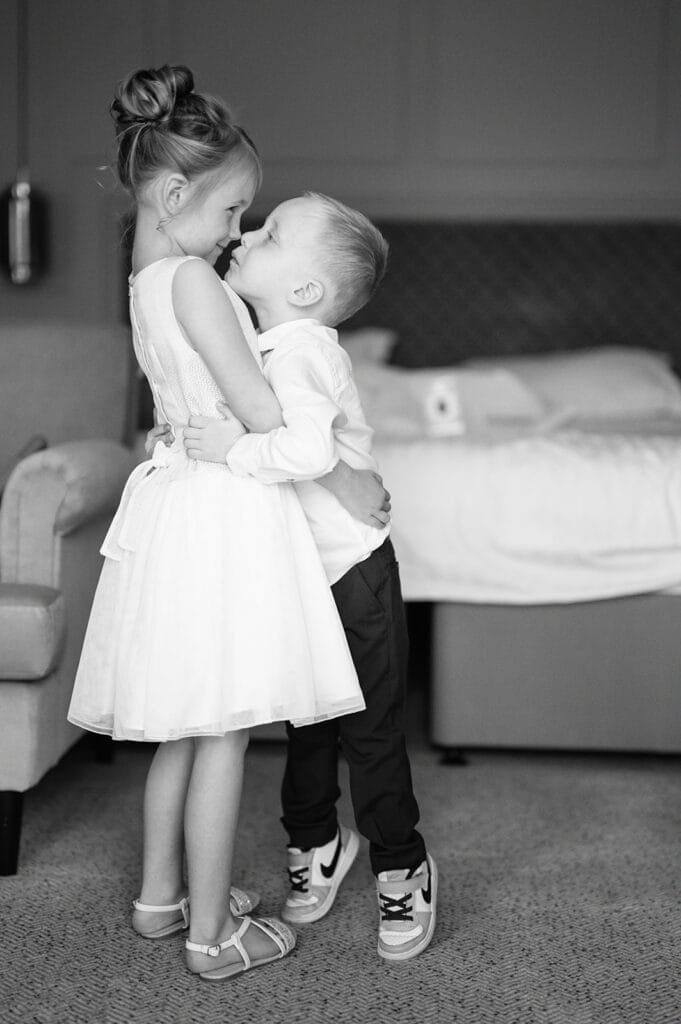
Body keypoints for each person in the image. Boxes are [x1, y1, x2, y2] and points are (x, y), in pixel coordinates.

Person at [67, 66, 384, 982]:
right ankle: (214, 936)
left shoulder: (144, 274)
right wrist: (345, 467)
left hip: (174, 501)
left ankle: (159, 900)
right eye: (234, 211)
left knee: (180, 724)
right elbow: (266, 420)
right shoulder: (198, 285)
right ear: (173, 195)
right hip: (220, 516)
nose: (238, 231)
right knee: (222, 734)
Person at [177, 192, 437, 962]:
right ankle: (319, 842)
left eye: (269, 232)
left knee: (370, 731)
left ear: (304, 292)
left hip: (352, 568)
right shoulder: (262, 343)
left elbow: (304, 453)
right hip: (297, 571)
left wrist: (229, 448)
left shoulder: (303, 353)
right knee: (305, 723)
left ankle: (402, 863)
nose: (248, 233)